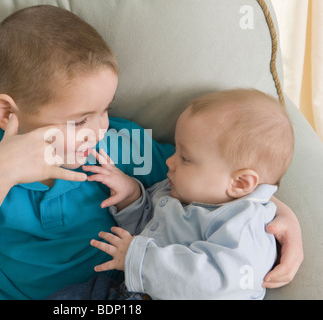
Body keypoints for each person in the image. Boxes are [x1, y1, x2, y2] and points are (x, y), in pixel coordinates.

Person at [0, 5, 301, 300]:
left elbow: (209, 176)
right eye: (79, 121)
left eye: (104, 110)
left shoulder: (122, 144)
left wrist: (278, 212)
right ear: (8, 114)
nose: (99, 130)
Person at [48, 89, 297, 300]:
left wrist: (138, 258)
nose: (169, 161)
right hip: (129, 288)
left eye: (184, 157)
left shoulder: (245, 223)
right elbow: (149, 228)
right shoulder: (178, 191)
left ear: (240, 183)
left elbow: (215, 284)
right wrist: (130, 196)